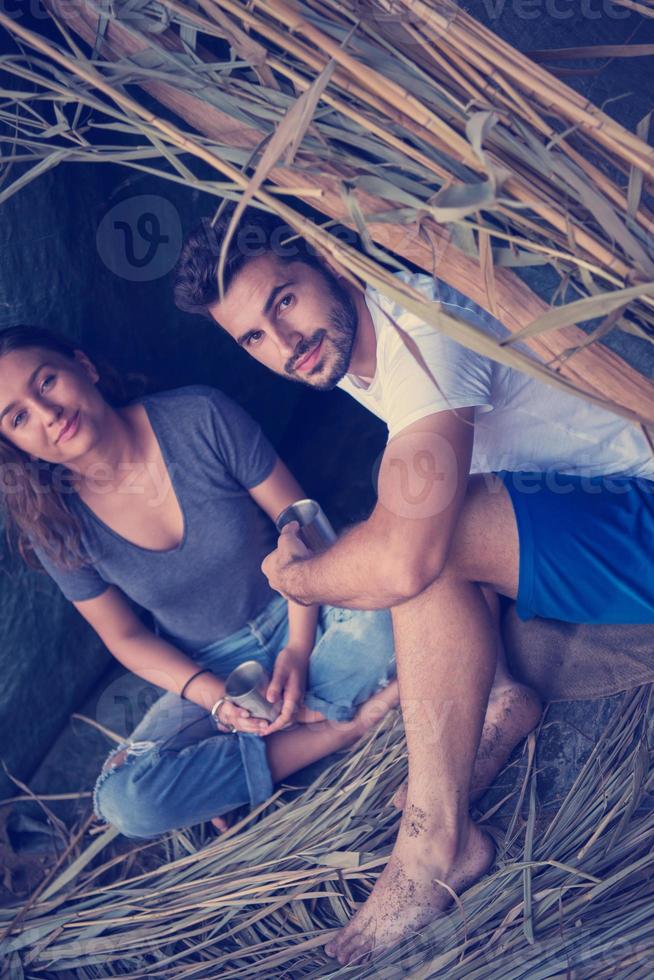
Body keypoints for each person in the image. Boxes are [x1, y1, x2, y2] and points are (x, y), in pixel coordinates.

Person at [174, 206, 654, 964]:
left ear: (327, 259)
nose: (284, 342)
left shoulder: (421, 330)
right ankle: (497, 697)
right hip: (578, 503)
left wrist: (298, 578)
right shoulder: (357, 350)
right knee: (403, 503)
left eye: (284, 299)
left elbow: (403, 563)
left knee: (419, 540)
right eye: (254, 338)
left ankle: (436, 846)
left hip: (642, 516)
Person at [0, 325, 402, 840]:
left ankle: (260, 754)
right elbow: (124, 637)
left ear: (85, 366)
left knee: (394, 602)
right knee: (127, 800)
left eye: (47, 382)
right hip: (211, 666)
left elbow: (297, 522)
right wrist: (216, 699)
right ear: (18, 446)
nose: (48, 414)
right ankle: (349, 724)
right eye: (19, 418)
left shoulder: (199, 416)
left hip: (310, 601)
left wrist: (299, 649)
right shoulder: (55, 526)